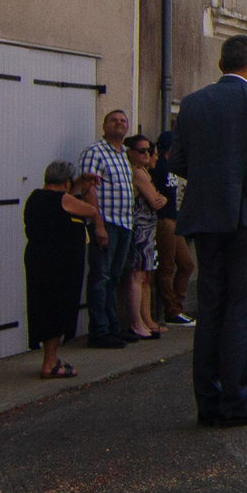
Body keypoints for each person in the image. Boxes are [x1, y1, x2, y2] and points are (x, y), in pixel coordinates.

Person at [173, 33, 247, 425]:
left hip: (207, 219)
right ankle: (236, 401)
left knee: (211, 311)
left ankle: (208, 403)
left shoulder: (192, 103)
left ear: (220, 64)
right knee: (242, 312)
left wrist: (211, 183)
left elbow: (176, 160)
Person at [23, 161, 94, 380]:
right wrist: (87, 187)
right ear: (66, 182)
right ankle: (50, 362)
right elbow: (91, 210)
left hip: (37, 258)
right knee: (57, 309)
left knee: (42, 308)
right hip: (59, 262)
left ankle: (50, 358)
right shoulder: (63, 199)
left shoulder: (34, 197)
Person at [77, 109, 137, 347]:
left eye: (123, 121)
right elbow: (88, 189)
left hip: (124, 223)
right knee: (100, 277)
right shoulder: (95, 152)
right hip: (107, 223)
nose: (119, 124)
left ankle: (113, 327)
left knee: (113, 278)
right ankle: (99, 331)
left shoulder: (124, 154)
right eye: (114, 120)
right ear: (104, 126)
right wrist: (98, 225)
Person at [150, 131, 194, 327]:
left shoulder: (172, 167)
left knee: (186, 264)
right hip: (163, 220)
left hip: (174, 218)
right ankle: (172, 310)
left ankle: (177, 304)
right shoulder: (159, 167)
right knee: (167, 266)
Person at [125, 133, 167, 337]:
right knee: (138, 274)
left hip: (148, 229)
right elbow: (155, 200)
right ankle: (137, 322)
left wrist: (160, 198)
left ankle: (146, 319)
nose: (149, 156)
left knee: (146, 275)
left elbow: (161, 199)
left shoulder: (144, 173)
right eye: (143, 151)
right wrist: (159, 197)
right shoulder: (138, 173)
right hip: (140, 228)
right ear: (131, 153)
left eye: (148, 151)